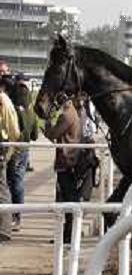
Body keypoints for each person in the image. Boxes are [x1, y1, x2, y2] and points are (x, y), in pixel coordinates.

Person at [42, 93, 82, 244]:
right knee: (68, 198)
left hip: (65, 161)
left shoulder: (66, 115)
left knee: (67, 199)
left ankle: (68, 235)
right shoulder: (73, 112)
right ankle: (67, 234)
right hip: (71, 160)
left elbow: (52, 134)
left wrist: (47, 122)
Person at [6, 73, 38, 231]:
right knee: (18, 182)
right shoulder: (31, 112)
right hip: (25, 148)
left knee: (10, 182)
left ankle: (11, 214)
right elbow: (35, 135)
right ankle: (17, 216)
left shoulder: (14, 110)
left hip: (14, 148)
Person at [0, 83, 20, 243]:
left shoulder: (3, 100)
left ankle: (4, 229)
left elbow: (14, 130)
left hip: (1, 147)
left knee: (1, 189)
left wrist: (9, 153)